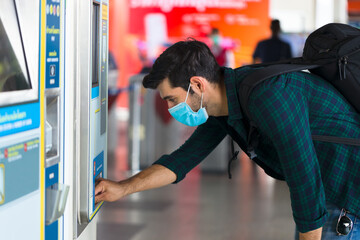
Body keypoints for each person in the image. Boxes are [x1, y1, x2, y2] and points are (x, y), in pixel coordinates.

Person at [95, 39, 360, 240]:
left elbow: (304, 176)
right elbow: (183, 159)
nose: (170, 109)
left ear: (197, 84)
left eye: (172, 99)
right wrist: (123, 188)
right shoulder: (228, 102)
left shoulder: (267, 96)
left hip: (347, 196)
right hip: (330, 194)